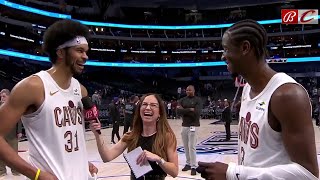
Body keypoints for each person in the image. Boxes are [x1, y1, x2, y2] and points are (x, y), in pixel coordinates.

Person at [197, 19, 319, 179]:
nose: (222, 56)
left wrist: (233, 174)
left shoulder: (287, 95)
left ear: (245, 48)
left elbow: (308, 174)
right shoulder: (247, 88)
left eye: (226, 49)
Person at [0, 19, 98, 180]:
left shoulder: (80, 90)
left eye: (86, 51)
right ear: (60, 52)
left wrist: (81, 162)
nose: (85, 56)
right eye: (79, 50)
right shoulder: (33, 86)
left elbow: (65, 139)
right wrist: (36, 174)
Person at [89, 93, 179, 180]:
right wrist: (98, 134)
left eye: (153, 105)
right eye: (144, 104)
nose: (148, 108)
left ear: (160, 113)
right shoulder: (131, 136)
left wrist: (159, 159)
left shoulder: (167, 137)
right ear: (139, 110)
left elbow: (174, 172)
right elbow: (106, 157)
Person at [177, 85, 202, 176]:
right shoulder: (182, 100)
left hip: (194, 125)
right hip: (184, 125)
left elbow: (197, 112)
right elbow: (178, 112)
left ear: (194, 90)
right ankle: (188, 163)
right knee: (185, 146)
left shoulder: (198, 100)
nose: (188, 91)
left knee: (192, 146)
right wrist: (190, 109)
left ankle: (193, 166)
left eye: (190, 90)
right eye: (187, 90)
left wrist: (184, 110)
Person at [0, 89, 23, 177]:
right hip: (1, 134)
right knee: (1, 153)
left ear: (9, 96)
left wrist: (19, 131)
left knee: (14, 154)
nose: (2, 98)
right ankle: (1, 171)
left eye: (4, 96)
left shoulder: (14, 105)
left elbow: (19, 119)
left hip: (13, 134)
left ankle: (16, 171)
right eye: (1, 96)